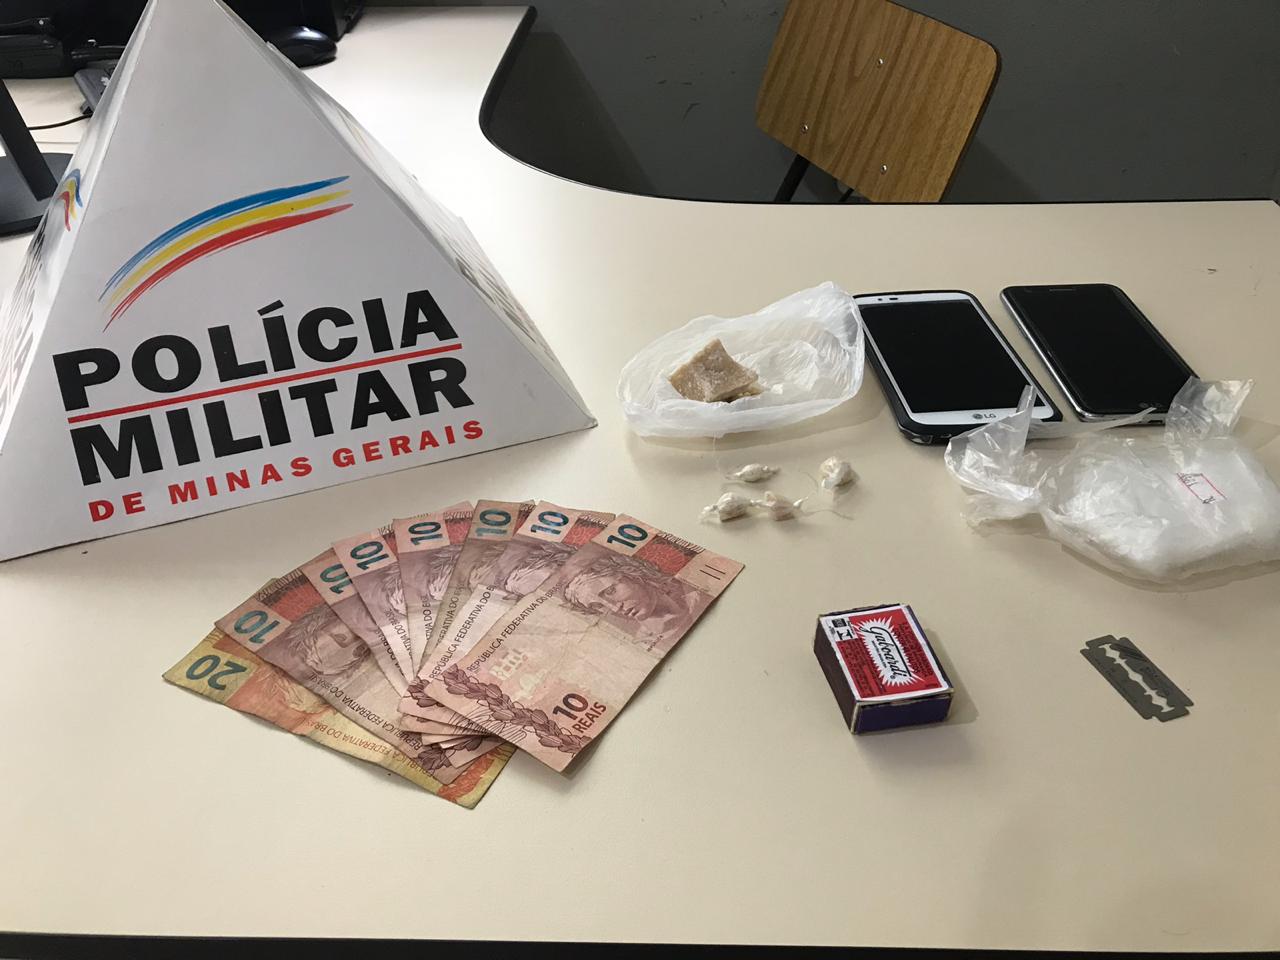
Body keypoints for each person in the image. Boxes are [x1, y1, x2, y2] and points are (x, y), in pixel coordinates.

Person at [561, 553, 699, 641]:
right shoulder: (641, 645)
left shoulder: (698, 597)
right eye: (598, 606)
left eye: (610, 591)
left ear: (633, 575)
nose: (614, 608)